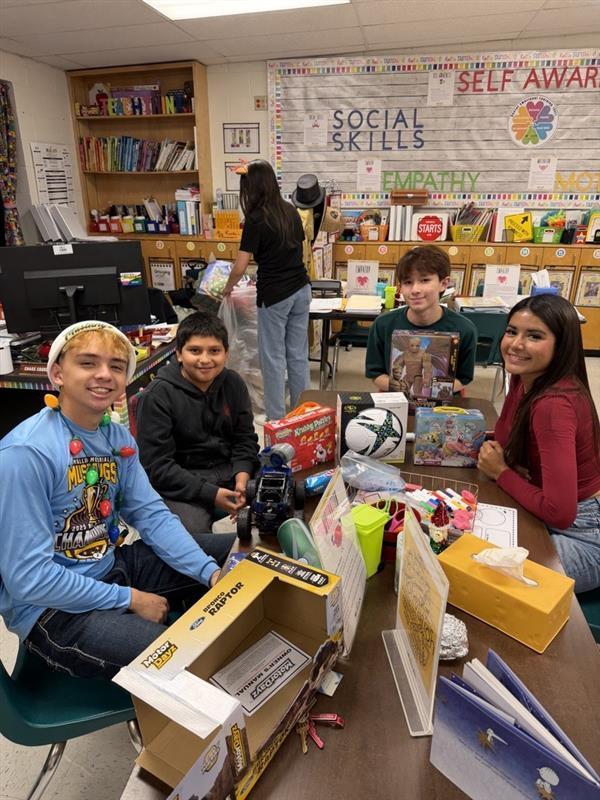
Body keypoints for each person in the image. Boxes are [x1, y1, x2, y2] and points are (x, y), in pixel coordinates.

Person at [0, 320, 235, 680]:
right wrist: (130, 599)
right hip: (54, 611)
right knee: (181, 655)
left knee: (241, 553)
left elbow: (152, 516)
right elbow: (30, 580)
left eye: (116, 365)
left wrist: (211, 572)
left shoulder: (116, 436)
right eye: (88, 363)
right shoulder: (26, 454)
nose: (105, 375)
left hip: (111, 567)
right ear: (58, 374)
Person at [478, 295, 600, 593]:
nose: (516, 344)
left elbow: (561, 512)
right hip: (545, 513)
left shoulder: (553, 406)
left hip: (585, 535)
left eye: (534, 336)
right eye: (512, 331)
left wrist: (501, 472)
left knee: (481, 573)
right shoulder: (525, 375)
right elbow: (505, 438)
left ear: (562, 345)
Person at [137, 312, 259, 536]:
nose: (205, 359)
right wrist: (211, 494)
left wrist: (243, 477)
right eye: (195, 351)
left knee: (281, 492)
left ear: (226, 354)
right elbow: (158, 467)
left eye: (214, 351)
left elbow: (245, 439)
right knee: (190, 536)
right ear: (179, 354)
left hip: (230, 470)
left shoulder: (233, 383)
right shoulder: (156, 396)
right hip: (184, 482)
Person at [222, 160, 311, 421]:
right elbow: (299, 251)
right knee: (297, 356)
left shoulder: (255, 219)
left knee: (272, 360)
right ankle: (303, 416)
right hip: (301, 289)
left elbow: (240, 266)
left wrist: (227, 288)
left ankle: (277, 420)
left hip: (275, 295)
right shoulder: (290, 210)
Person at [365, 245, 477, 392]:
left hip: (442, 404)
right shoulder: (383, 325)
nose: (415, 290)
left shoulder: (465, 329)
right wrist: (398, 387)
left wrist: (432, 392)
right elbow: (375, 373)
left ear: (444, 283)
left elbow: (463, 378)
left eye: (424, 280)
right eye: (407, 282)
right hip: (396, 397)